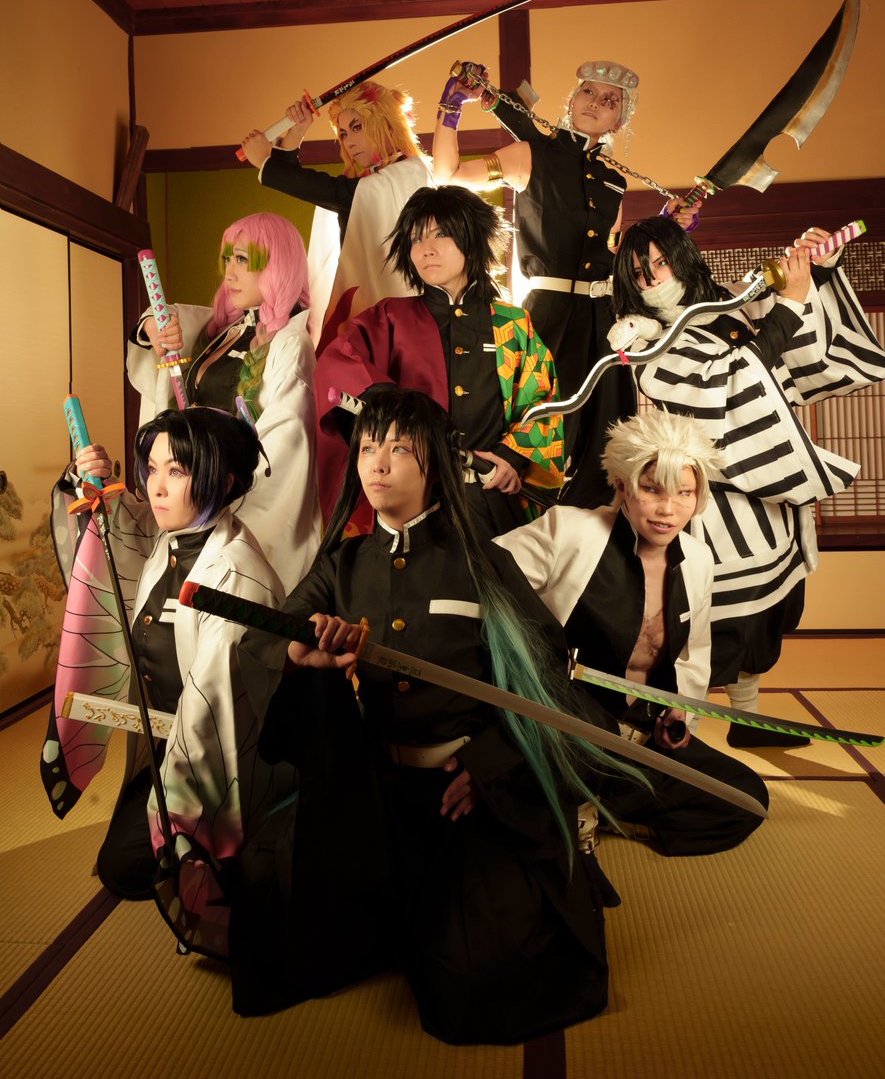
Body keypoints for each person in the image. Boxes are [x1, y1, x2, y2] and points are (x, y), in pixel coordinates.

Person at [230, 389, 633, 1044]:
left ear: (435, 464)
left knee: (477, 984)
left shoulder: (483, 563)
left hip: (463, 794)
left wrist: (488, 767)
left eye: (398, 449)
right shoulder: (342, 563)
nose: (376, 463)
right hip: (369, 793)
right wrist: (303, 654)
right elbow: (266, 640)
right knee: (264, 891)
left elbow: (547, 681)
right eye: (368, 447)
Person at [610, 216, 885, 745]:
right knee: (710, 625)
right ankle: (672, 736)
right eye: (641, 273)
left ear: (682, 256)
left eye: (661, 262)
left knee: (767, 614)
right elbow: (730, 383)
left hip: (771, 494)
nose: (654, 278)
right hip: (713, 501)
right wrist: (790, 304)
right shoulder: (649, 346)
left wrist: (819, 272)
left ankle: (747, 721)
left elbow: (803, 355)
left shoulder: (732, 302)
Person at [45, 408, 287, 956]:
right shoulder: (174, 535)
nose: (155, 487)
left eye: (176, 471)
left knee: (151, 871)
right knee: (122, 867)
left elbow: (215, 723)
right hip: (167, 744)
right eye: (152, 468)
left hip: (223, 764)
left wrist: (176, 819)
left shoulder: (234, 577)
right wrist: (93, 478)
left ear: (224, 479)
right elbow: (119, 525)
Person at [495, 409, 769, 855]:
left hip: (642, 729)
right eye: (652, 489)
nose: (668, 509)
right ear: (623, 486)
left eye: (684, 493)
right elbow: (486, 577)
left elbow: (692, 657)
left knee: (745, 799)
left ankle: (589, 799)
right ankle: (569, 791)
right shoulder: (571, 531)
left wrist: (679, 714)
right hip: (566, 724)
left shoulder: (697, 560)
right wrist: (538, 654)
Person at [433, 57, 683, 508]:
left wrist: (667, 227)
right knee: (534, 429)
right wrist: (450, 110)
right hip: (546, 317)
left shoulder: (614, 184)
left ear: (619, 121)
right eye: (589, 91)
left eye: (610, 101)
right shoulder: (532, 155)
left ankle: (596, 526)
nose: (596, 102)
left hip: (603, 322)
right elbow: (446, 176)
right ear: (571, 100)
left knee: (608, 438)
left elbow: (616, 261)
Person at [314, 184, 564, 537]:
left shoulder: (513, 323)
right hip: (413, 502)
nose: (426, 249)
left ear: (472, 240)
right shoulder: (390, 317)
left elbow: (543, 401)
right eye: (415, 239)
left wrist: (510, 458)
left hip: (491, 499)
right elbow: (338, 362)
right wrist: (392, 406)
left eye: (441, 234)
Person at [127, 212, 321, 591]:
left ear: (279, 265)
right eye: (227, 259)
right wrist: (154, 327)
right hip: (191, 503)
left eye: (243, 260)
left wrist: (217, 509)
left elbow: (282, 451)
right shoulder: (223, 329)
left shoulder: (291, 343)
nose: (229, 273)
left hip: (229, 511)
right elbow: (164, 318)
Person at [240, 81, 433, 348]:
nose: (350, 142)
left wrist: (266, 162)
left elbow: (335, 192)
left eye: (357, 128)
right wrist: (296, 132)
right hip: (375, 307)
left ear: (386, 123)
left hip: (403, 312)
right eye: (343, 133)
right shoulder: (372, 179)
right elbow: (330, 193)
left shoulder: (408, 172)